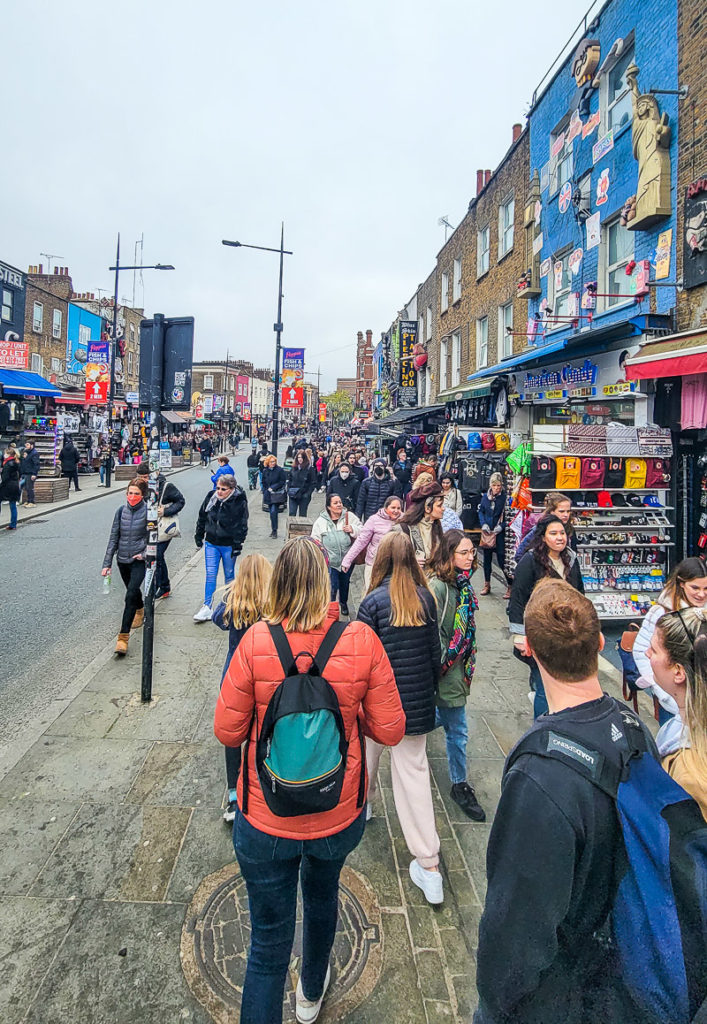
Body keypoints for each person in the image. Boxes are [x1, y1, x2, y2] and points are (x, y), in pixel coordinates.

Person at [214, 537, 405, 1024]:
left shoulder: (257, 640)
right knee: (322, 901)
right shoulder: (360, 640)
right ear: (326, 582)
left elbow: (227, 730)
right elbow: (392, 728)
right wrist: (349, 713)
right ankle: (310, 994)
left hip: (265, 816)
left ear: (278, 582)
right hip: (336, 812)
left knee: (267, 942)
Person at [474, 579, 656, 1024]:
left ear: (528, 650)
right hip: (624, 962)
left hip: (567, 990)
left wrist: (493, 1009)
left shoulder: (541, 775)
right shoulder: (635, 729)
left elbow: (515, 927)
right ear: (599, 643)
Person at [357, 531, 444, 904]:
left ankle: (363, 807)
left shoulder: (372, 603)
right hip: (416, 706)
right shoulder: (426, 599)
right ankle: (429, 866)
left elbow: (360, 661)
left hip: (379, 705)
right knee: (414, 777)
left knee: (365, 761)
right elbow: (434, 656)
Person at [428, 530, 485, 820]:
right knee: (458, 729)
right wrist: (442, 664)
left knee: (444, 718)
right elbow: (432, 631)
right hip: (447, 670)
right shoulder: (438, 587)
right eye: (464, 552)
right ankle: (459, 784)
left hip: (459, 666)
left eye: (472, 552)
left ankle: (414, 725)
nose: (470, 557)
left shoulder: (463, 584)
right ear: (449, 554)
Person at [212, 553, 273, 824]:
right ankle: (259, 786)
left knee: (232, 734)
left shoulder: (234, 602)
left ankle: (234, 797)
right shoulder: (272, 605)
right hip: (263, 675)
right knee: (260, 731)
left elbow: (217, 619)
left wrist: (233, 593)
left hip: (234, 676)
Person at [508, 515, 584, 718]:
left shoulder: (571, 559)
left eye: (562, 533)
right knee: (544, 685)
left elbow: (581, 596)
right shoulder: (531, 561)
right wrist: (518, 635)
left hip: (569, 635)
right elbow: (518, 598)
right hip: (541, 633)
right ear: (542, 537)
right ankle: (542, 728)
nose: (560, 538)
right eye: (554, 533)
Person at [633, 557, 707, 733]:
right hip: (673, 699)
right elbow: (641, 650)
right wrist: (661, 690)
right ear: (681, 584)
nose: (701, 594)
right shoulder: (660, 611)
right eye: (695, 588)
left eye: (706, 589)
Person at [648, 606, 707, 820]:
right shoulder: (684, 726)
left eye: (654, 650)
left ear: (678, 671)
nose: (647, 654)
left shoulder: (688, 771)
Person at [101, 478, 148, 655]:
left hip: (138, 560)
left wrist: (143, 554)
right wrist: (107, 564)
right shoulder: (121, 511)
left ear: (142, 495)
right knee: (132, 591)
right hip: (122, 559)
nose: (132, 496)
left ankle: (123, 638)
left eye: (136, 493)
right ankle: (140, 609)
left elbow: (154, 538)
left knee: (130, 594)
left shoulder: (148, 512)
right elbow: (114, 538)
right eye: (130, 493)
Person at [194, 474, 249, 621]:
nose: (219, 492)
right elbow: (202, 516)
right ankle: (207, 607)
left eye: (223, 489)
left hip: (228, 544)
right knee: (210, 575)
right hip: (211, 542)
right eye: (218, 488)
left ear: (231, 489)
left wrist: (238, 544)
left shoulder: (239, 501)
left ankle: (229, 605)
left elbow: (242, 524)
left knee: (229, 576)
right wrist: (199, 536)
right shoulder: (211, 497)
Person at [135, 462, 186, 600]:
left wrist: (165, 511)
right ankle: (160, 585)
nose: (143, 480)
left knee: (156, 553)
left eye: (146, 477)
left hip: (164, 527)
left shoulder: (166, 486)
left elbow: (180, 501)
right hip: (147, 527)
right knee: (154, 556)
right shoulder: (138, 486)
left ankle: (162, 586)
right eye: (140, 477)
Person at [310, 493, 362, 617]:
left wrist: (353, 529)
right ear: (329, 507)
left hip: (347, 560)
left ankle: (343, 603)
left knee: (345, 583)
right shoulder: (321, 522)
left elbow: (363, 530)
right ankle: (330, 609)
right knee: (332, 585)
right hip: (330, 562)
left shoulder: (349, 516)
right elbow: (314, 540)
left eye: (340, 502)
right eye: (335, 503)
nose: (339, 505)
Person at [342, 495, 402, 589]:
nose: (396, 510)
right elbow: (361, 541)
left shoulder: (404, 520)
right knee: (371, 592)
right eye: (393, 507)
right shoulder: (374, 520)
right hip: (374, 563)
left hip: (396, 564)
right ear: (386, 507)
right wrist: (347, 560)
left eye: (398, 508)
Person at [395, 480, 445, 567]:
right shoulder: (402, 529)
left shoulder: (436, 527)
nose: (443, 509)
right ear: (427, 508)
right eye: (439, 505)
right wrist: (410, 562)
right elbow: (389, 558)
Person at [478, 472, 511, 599]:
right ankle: (487, 584)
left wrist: (501, 527)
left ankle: (510, 585)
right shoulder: (486, 497)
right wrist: (483, 524)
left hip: (499, 534)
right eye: (494, 485)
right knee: (487, 560)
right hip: (488, 533)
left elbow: (509, 516)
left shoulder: (504, 498)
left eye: (498, 485)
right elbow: (481, 511)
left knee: (502, 560)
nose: (496, 488)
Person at [515, 491, 576, 561]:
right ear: (551, 511)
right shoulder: (541, 529)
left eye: (568, 511)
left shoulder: (569, 529)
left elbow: (573, 554)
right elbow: (519, 555)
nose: (566, 515)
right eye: (561, 511)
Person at [355, 458, 401, 522]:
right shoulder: (366, 482)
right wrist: (358, 518)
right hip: (369, 516)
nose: (378, 468)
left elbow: (396, 500)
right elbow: (361, 501)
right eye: (376, 466)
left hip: (386, 517)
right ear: (373, 468)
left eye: (381, 466)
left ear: (385, 468)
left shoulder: (392, 483)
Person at [261, 455, 287, 539]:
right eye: (271, 462)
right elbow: (263, 482)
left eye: (274, 461)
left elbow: (282, 481)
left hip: (276, 495)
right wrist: (266, 490)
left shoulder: (279, 470)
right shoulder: (265, 471)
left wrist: (273, 487)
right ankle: (273, 529)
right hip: (268, 495)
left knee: (273, 511)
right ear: (268, 462)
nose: (273, 463)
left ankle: (274, 530)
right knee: (271, 513)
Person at [288, 450, 317, 517]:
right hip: (293, 493)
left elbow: (313, 482)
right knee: (292, 513)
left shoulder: (309, 469)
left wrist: (308, 493)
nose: (300, 459)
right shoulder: (293, 468)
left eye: (301, 457)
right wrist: (289, 489)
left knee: (302, 514)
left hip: (304, 494)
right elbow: (290, 479)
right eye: (298, 457)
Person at [0, 445, 21, 530]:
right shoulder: (16, 462)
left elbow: (5, 478)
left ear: (8, 455)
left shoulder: (8, 464)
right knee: (12, 505)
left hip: (7, 486)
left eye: (5, 453)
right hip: (15, 485)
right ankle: (13, 524)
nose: (4, 455)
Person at [19, 440, 40, 507]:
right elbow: (24, 462)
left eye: (27, 444)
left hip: (30, 473)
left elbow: (36, 464)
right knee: (26, 487)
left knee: (30, 487)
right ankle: (28, 501)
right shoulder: (26, 452)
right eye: (26, 444)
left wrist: (34, 474)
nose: (26, 446)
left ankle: (32, 501)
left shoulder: (34, 453)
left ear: (32, 445)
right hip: (25, 472)